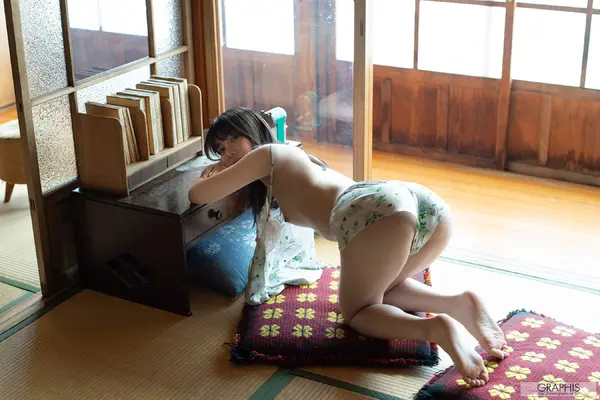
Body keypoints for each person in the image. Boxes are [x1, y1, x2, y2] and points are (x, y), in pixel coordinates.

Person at [189, 107, 509, 387]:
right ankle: (459, 303)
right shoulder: (293, 158)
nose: (228, 153)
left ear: (253, 130)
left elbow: (198, 195)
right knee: (384, 290)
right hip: (419, 205)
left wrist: (212, 173)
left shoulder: (267, 154)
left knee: (357, 312)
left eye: (233, 139)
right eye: (220, 149)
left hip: (372, 211)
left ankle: (435, 328)